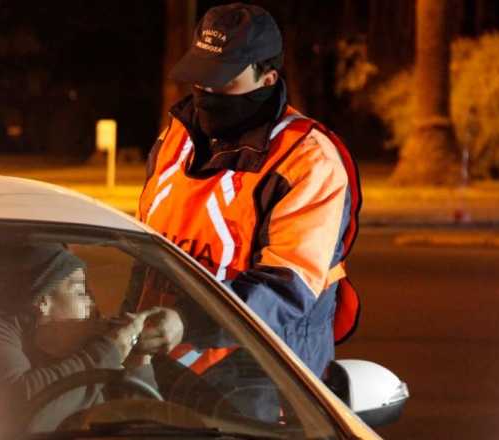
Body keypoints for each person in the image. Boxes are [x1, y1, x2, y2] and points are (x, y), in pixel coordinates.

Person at [136, 3, 362, 378]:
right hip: (163, 371)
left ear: (268, 79)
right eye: (200, 76)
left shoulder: (307, 160)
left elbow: (286, 290)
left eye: (223, 80)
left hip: (264, 382)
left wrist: (186, 323)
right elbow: (145, 254)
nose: (207, 91)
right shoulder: (176, 139)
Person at [0, 245, 158, 433]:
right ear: (43, 302)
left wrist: (139, 360)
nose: (93, 305)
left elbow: (148, 429)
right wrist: (110, 350)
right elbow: (21, 410)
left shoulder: (82, 350)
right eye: (81, 293)